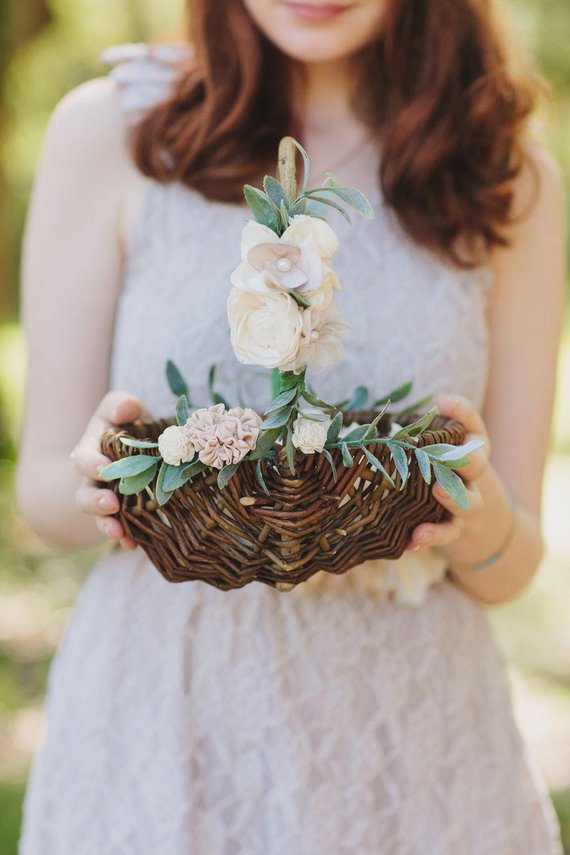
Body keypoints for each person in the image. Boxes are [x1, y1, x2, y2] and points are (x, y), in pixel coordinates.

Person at [15, 0, 566, 852]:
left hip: (409, 732)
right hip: (170, 707)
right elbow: (43, 495)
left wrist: (477, 509)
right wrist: (93, 479)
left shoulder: (506, 175)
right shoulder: (114, 133)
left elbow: (511, 564)